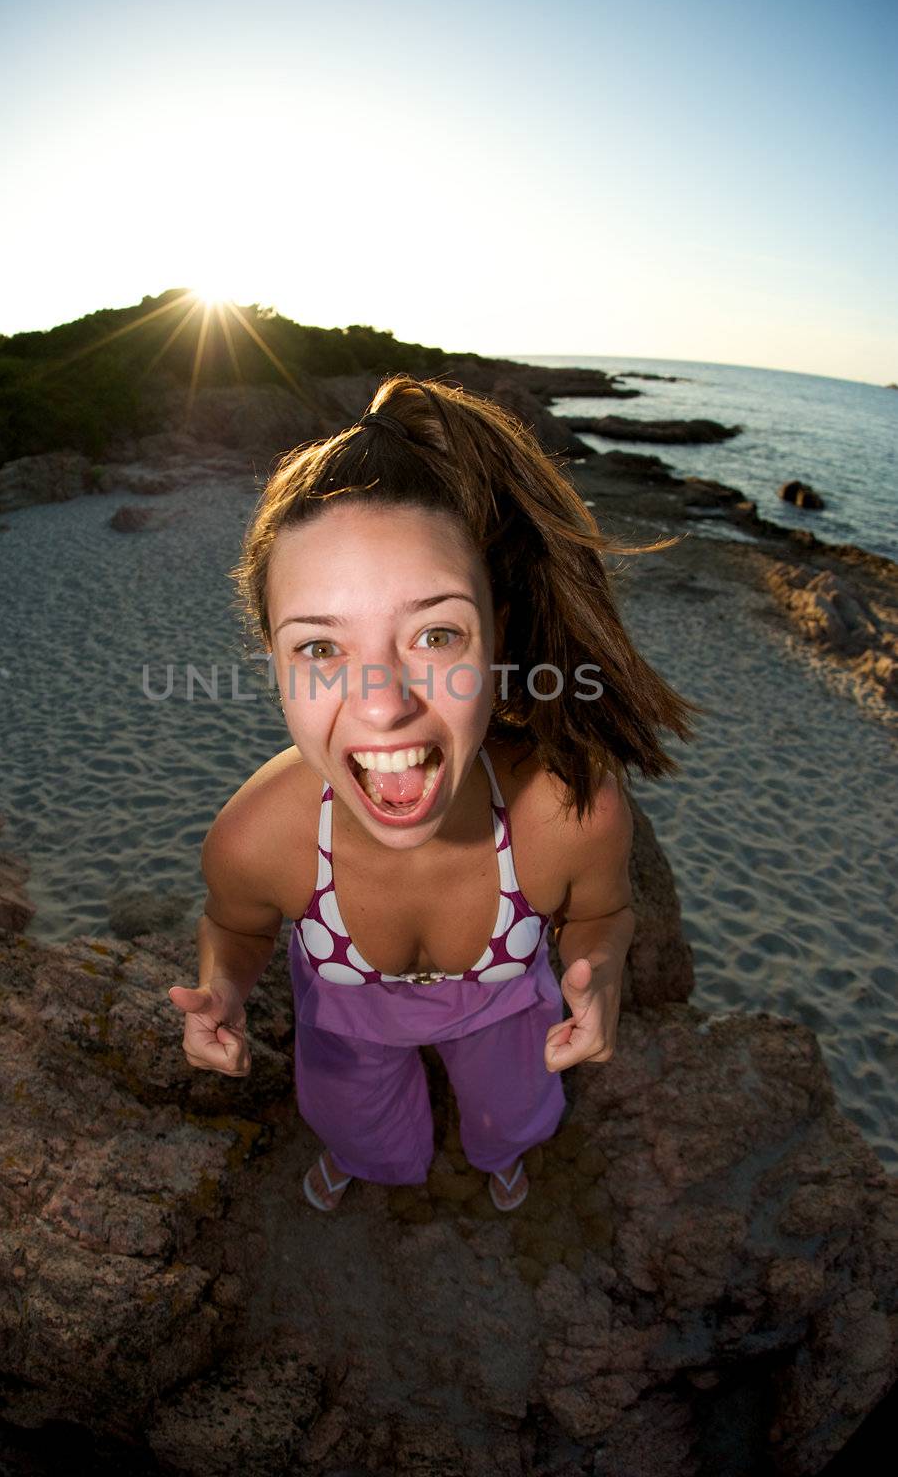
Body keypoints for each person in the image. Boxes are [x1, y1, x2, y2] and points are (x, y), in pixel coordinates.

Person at [168, 374, 703, 1212]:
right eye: (319, 649)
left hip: (503, 1015)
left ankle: (500, 1152)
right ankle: (362, 1152)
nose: (383, 703)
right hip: (345, 1024)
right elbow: (234, 925)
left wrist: (595, 971)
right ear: (271, 663)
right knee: (354, 1117)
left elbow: (601, 913)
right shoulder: (256, 840)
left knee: (513, 1112)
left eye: (435, 633)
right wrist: (224, 991)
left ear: (498, 638)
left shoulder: (566, 811)